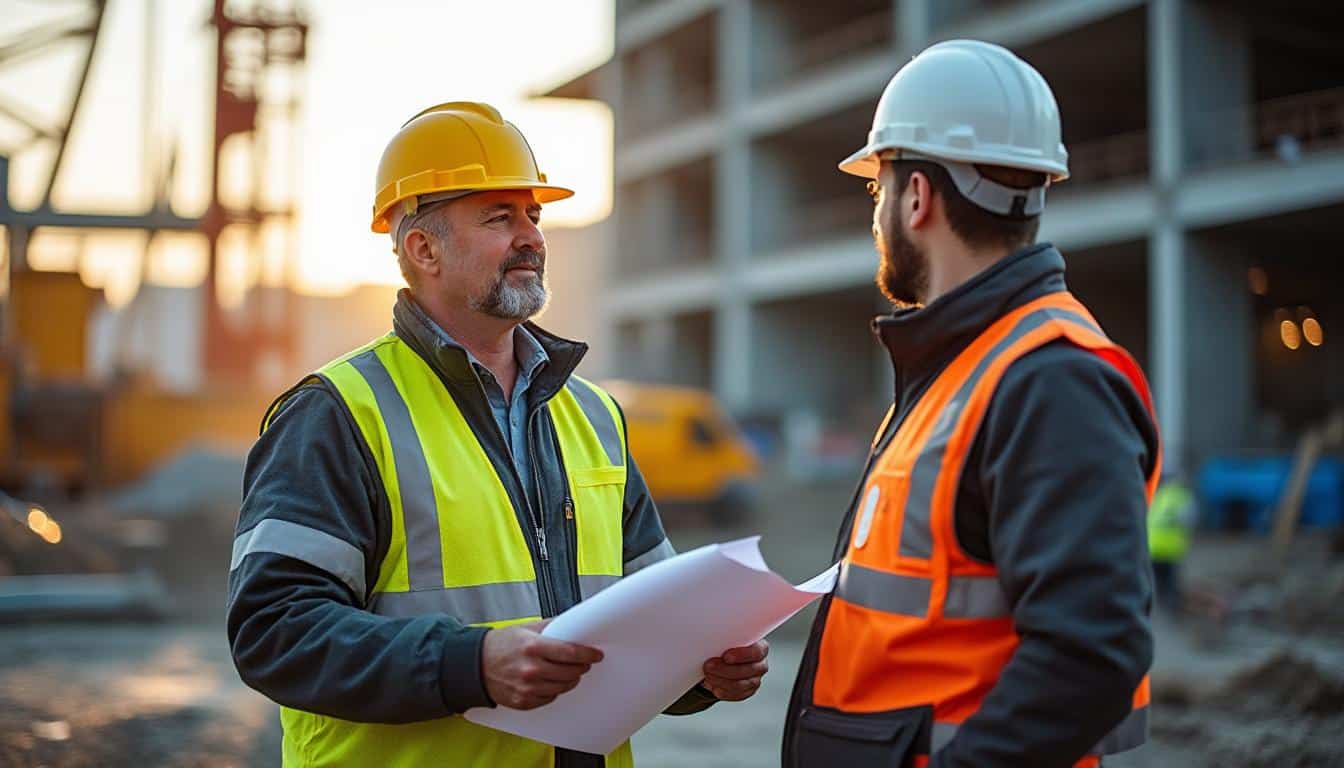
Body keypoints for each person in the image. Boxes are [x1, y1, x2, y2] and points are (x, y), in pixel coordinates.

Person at [227, 102, 768, 768]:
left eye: (534, 216)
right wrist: (469, 664)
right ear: (422, 249)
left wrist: (703, 670)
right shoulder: (338, 413)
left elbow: (649, 621)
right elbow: (274, 630)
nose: (531, 237)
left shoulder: (594, 417)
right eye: (498, 217)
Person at [781, 41, 1162, 768]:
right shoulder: (961, 365)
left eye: (878, 191)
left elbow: (1093, 657)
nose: (878, 215)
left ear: (917, 197)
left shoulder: (1048, 379)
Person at [1148, 471, 1194, 616]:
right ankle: (1170, 610)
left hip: (1153, 546)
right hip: (1170, 548)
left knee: (1155, 580)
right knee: (1170, 581)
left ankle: (1155, 609)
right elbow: (1188, 520)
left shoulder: (1158, 494)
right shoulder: (1181, 497)